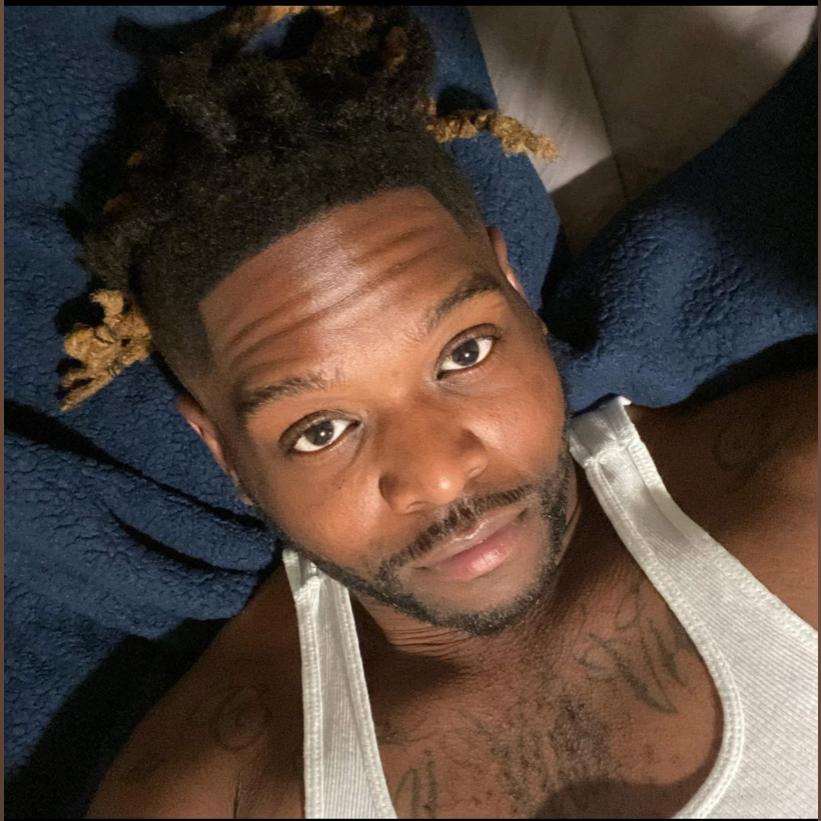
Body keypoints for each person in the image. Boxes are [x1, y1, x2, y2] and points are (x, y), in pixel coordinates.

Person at [74, 6, 817, 818]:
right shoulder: (205, 796)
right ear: (223, 452)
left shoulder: (799, 498)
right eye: (321, 430)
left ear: (517, 294)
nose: (436, 473)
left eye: (463, 354)